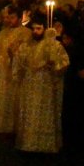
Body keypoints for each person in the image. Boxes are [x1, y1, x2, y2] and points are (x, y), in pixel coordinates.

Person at [13, 22, 70, 153]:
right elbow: (18, 63)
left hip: (46, 85)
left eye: (38, 28)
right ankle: (27, 144)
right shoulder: (25, 46)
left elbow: (64, 62)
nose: (35, 31)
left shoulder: (54, 45)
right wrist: (19, 69)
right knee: (29, 112)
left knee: (45, 113)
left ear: (44, 29)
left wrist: (54, 64)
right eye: (33, 29)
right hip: (29, 85)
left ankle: (45, 145)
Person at [0, 5, 28, 134]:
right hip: (2, 73)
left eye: (12, 17)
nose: (9, 20)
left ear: (20, 17)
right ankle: (1, 129)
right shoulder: (3, 32)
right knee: (1, 101)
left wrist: (14, 56)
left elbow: (26, 54)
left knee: (14, 102)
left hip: (15, 74)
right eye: (8, 17)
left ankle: (14, 130)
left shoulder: (26, 33)